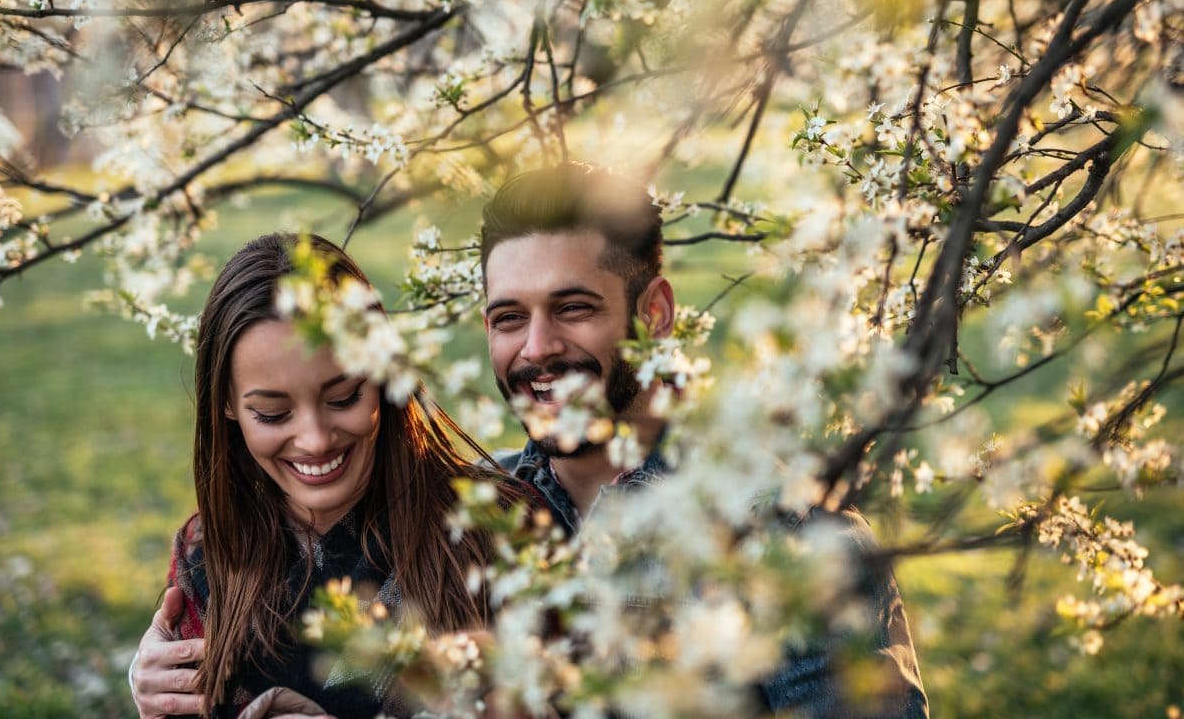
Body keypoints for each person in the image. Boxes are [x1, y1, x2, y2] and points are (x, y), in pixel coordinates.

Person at [478, 163, 929, 717]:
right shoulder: (468, 512)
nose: (537, 347)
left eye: (573, 308)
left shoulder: (785, 526)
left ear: (656, 314)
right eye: (509, 318)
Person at [131, 232, 528, 719]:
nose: (315, 440)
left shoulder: (489, 532)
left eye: (343, 398)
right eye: (273, 414)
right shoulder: (209, 558)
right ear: (228, 407)